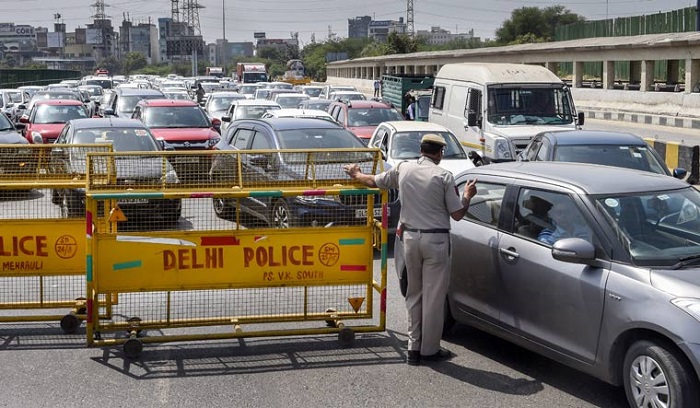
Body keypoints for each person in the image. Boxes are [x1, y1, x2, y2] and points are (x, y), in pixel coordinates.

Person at [344, 133, 477, 366]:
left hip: (409, 240)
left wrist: (355, 174)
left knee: (413, 294)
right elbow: (457, 214)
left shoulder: (403, 169)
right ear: (439, 153)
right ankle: (429, 350)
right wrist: (467, 196)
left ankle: (413, 348)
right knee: (433, 297)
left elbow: (373, 181)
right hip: (436, 241)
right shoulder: (444, 176)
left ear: (422, 149)